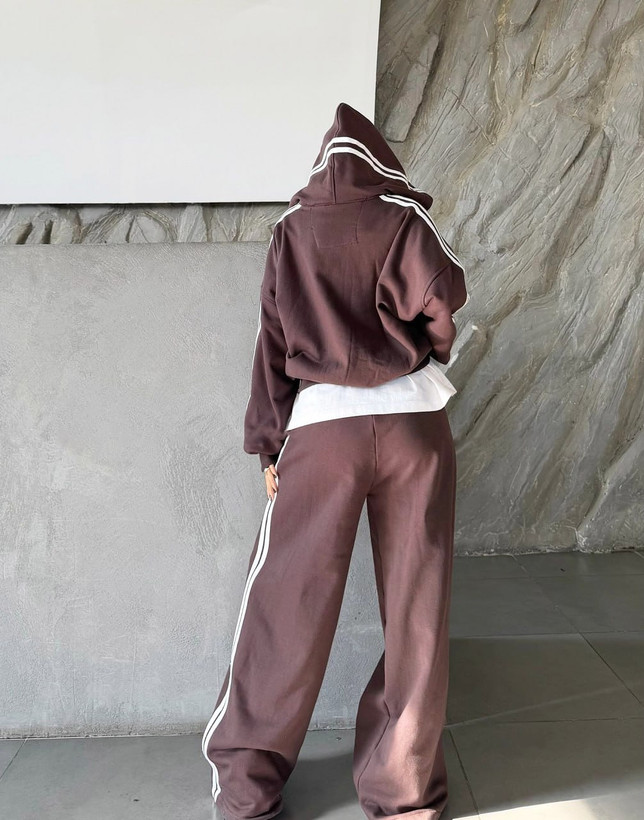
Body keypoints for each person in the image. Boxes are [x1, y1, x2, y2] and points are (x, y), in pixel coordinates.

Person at [202, 101, 469, 820]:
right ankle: (404, 795)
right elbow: (446, 296)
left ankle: (248, 788)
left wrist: (268, 442)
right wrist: (426, 352)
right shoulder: (405, 218)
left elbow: (271, 345)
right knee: (417, 608)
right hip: (415, 425)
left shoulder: (291, 230)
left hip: (323, 432)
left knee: (286, 602)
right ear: (381, 157)